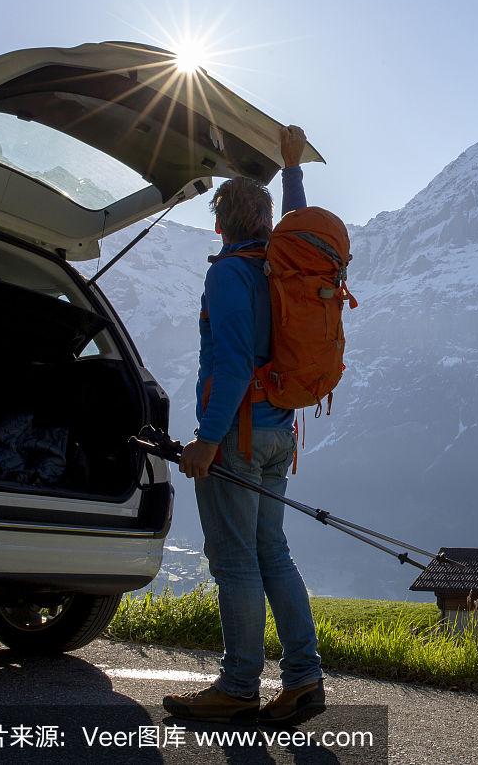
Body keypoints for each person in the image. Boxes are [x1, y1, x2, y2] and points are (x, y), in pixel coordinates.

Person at [163, 125, 325, 726]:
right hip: (282, 432)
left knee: (235, 564)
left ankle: (237, 686)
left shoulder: (229, 275)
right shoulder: (288, 261)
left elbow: (229, 364)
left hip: (238, 434)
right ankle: (304, 680)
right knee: (273, 554)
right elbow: (301, 220)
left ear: (219, 224)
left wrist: (207, 440)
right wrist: (292, 170)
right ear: (265, 221)